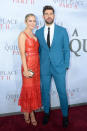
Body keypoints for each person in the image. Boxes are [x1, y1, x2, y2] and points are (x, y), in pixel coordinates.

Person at [35, 5, 70, 127]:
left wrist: (65, 65)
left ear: (54, 15)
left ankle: (65, 116)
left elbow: (66, 49)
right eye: (46, 13)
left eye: (51, 13)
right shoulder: (38, 32)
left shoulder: (62, 30)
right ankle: (46, 113)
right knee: (45, 91)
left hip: (59, 68)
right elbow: (38, 51)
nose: (49, 16)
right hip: (44, 67)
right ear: (43, 16)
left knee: (62, 92)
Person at [18, 14, 42, 126]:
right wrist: (26, 70)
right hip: (28, 66)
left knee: (34, 90)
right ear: (25, 21)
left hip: (36, 66)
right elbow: (22, 53)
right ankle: (30, 114)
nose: (33, 23)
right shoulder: (22, 35)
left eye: (34, 21)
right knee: (28, 90)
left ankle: (29, 111)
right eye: (30, 21)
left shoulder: (34, 34)